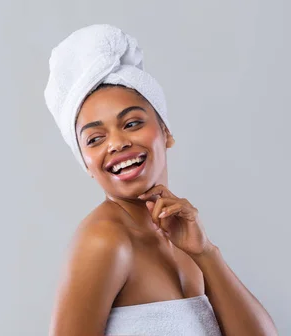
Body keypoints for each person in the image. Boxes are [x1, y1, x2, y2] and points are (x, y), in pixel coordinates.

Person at [43, 24, 278, 336]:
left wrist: (205, 252)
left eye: (132, 122)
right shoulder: (104, 241)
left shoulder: (180, 235)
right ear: (86, 163)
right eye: (95, 139)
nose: (116, 144)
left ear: (165, 131)